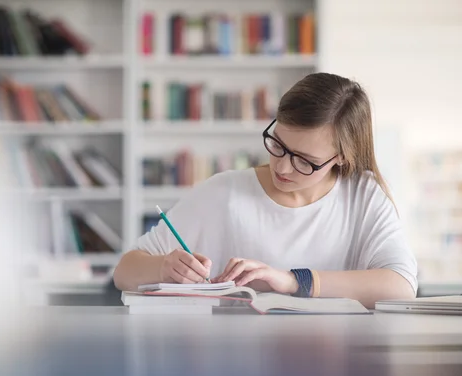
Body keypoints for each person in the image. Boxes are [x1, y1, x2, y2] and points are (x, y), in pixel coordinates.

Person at [113, 72, 417, 308]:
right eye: (279, 145)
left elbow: (401, 285)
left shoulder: (362, 196)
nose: (283, 168)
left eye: (305, 161)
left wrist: (293, 281)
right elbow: (124, 271)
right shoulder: (225, 192)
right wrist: (164, 267)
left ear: (341, 157)